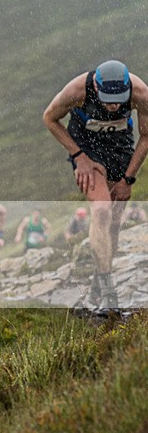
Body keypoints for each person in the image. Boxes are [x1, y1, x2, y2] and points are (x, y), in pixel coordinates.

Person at [44, 59, 148, 310]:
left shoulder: (141, 93)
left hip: (119, 146)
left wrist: (127, 179)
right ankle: (109, 289)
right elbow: (49, 118)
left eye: (119, 100)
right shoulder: (76, 91)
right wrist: (79, 157)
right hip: (86, 146)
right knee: (101, 209)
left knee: (113, 221)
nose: (113, 105)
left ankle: (97, 281)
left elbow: (146, 137)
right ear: (96, 87)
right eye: (107, 99)